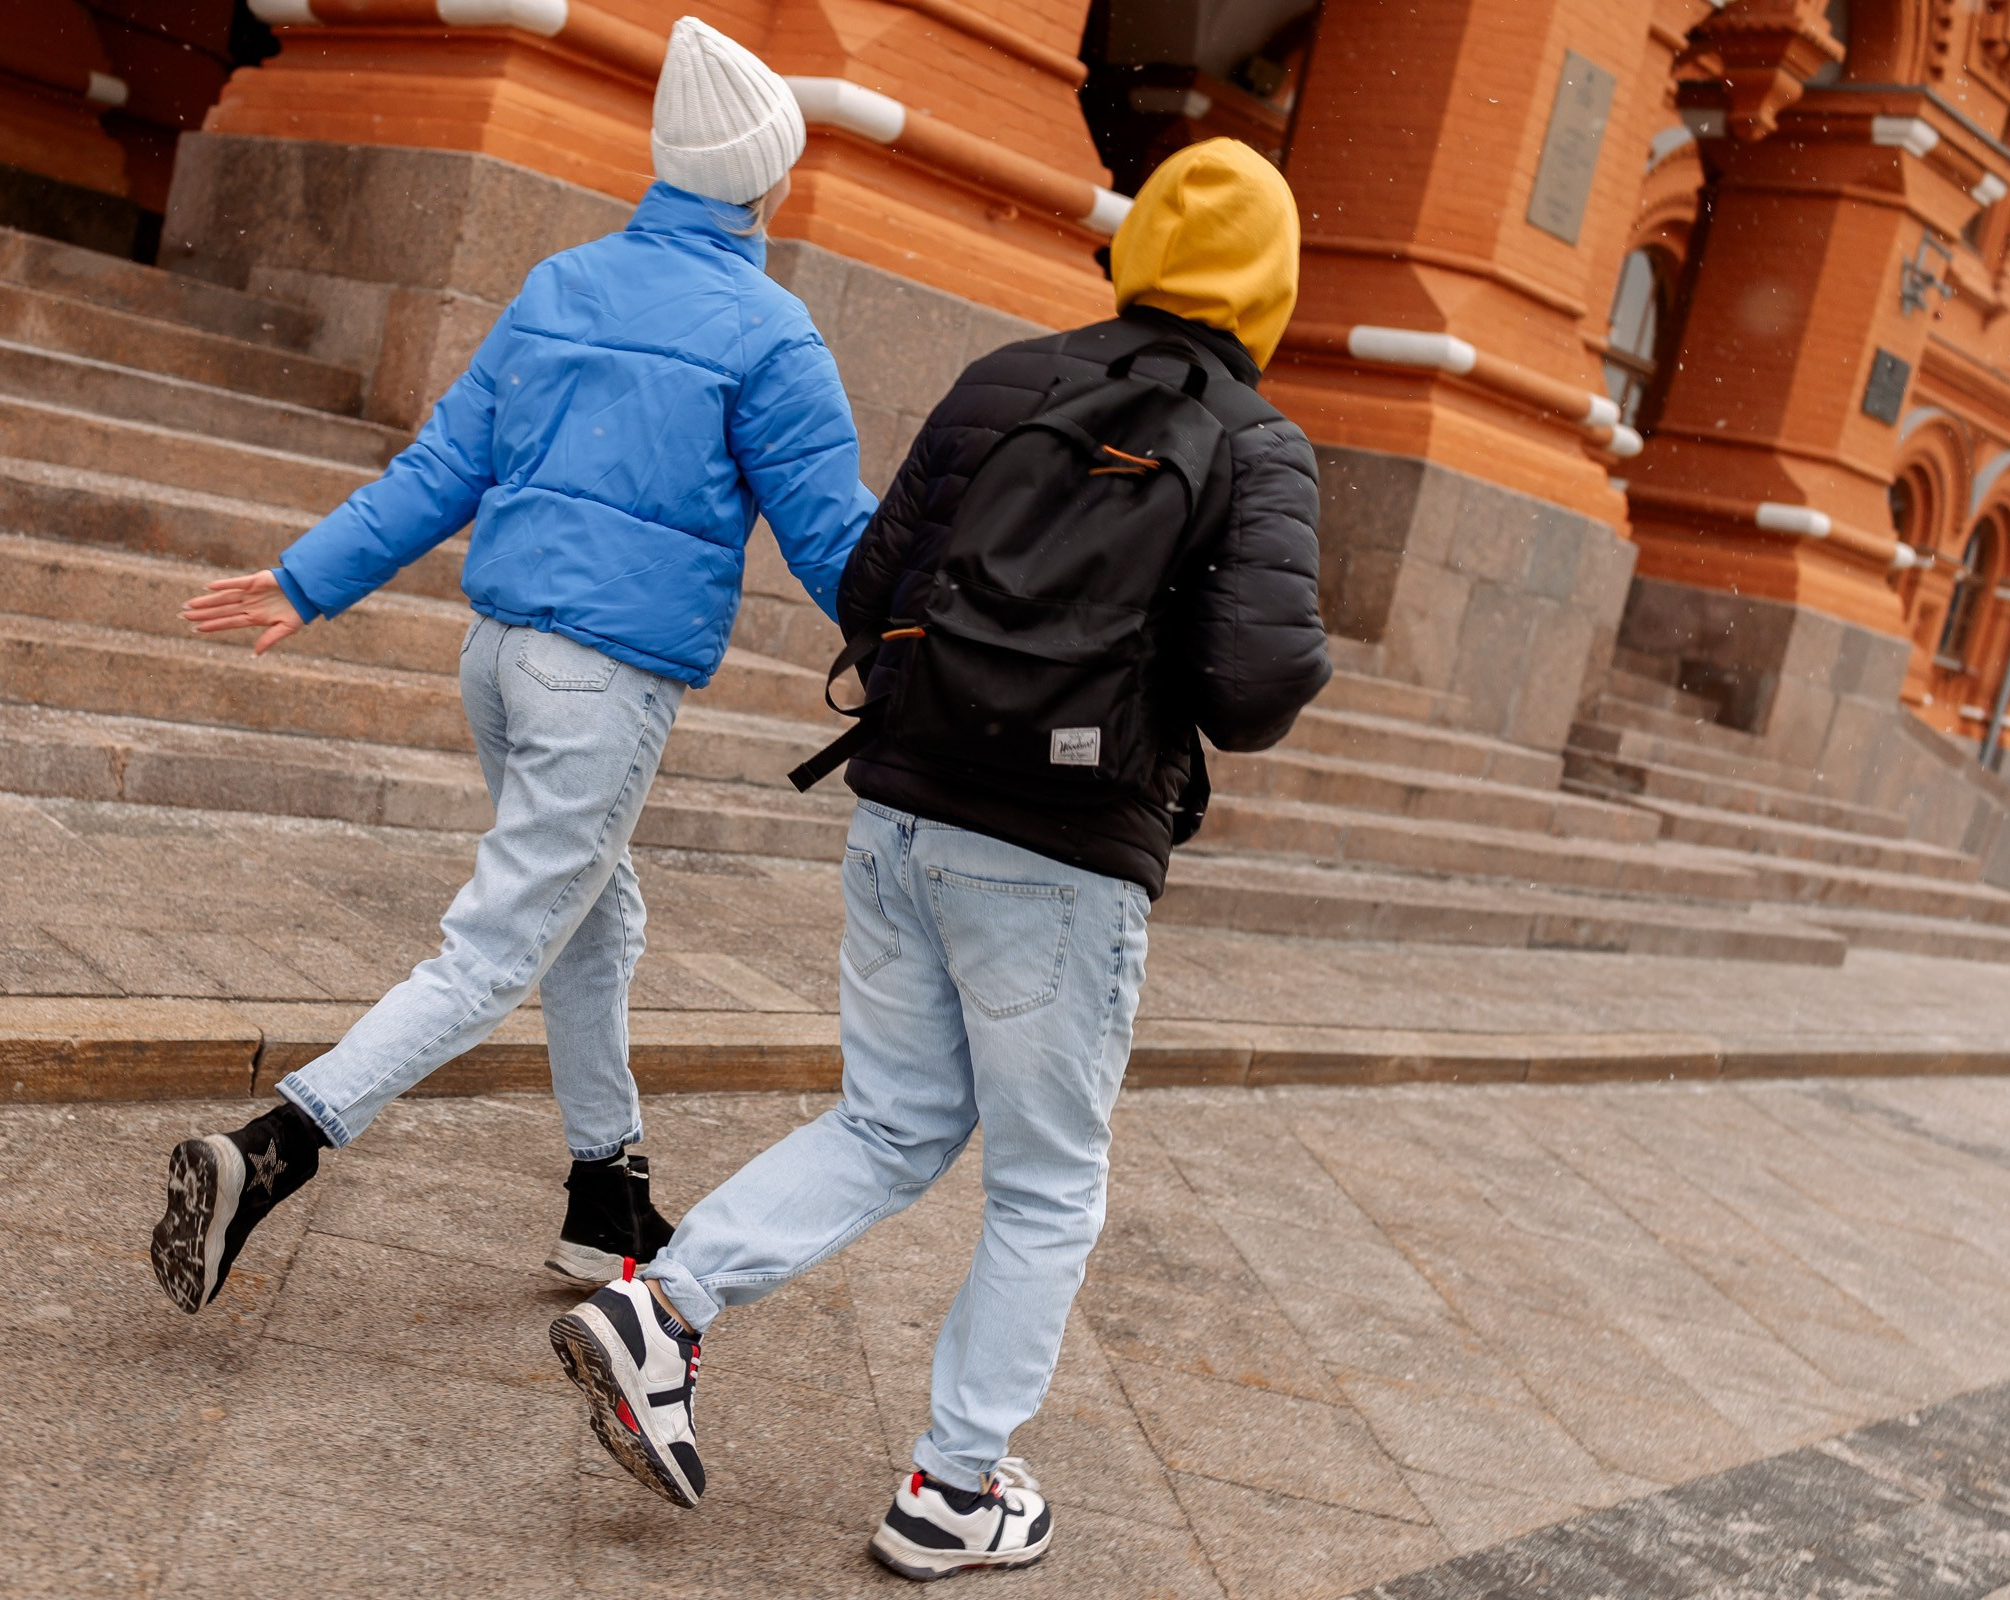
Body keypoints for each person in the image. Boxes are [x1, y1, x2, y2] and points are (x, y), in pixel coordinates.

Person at [549, 137, 1332, 1581]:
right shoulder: (1260, 444)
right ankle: (953, 1489)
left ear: (1138, 248)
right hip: (1063, 853)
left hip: (905, 809)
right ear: (1270, 288)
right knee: (1046, 1186)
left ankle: (664, 1310)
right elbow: (1257, 688)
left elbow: (869, 579)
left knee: (890, 1122)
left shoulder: (1006, 379)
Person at [148, 16, 875, 1315]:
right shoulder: (773, 336)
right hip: (603, 680)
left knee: (599, 917)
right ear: (768, 177)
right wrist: (944, 638)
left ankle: (608, 1198)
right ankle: (270, 1153)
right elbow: (838, 549)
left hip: (497, 657)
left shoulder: (561, 283)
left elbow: (442, 469)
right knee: (494, 953)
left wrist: (310, 576)